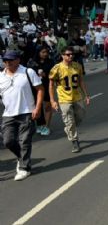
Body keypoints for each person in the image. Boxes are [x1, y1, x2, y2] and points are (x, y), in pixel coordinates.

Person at [1, 50, 44, 180]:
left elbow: (40, 90)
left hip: (26, 111)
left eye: (11, 60)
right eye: (5, 60)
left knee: (25, 141)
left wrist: (37, 108)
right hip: (8, 114)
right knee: (8, 141)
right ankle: (22, 158)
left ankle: (24, 168)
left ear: (18, 60)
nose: (7, 62)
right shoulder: (1, 76)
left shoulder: (27, 72)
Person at [49, 46, 90, 153]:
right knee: (69, 121)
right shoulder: (56, 68)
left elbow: (81, 81)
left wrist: (86, 95)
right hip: (64, 98)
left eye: (72, 54)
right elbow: (51, 85)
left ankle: (69, 129)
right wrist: (53, 101)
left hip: (77, 96)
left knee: (80, 116)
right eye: (68, 54)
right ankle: (74, 140)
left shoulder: (78, 66)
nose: (70, 56)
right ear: (62, 56)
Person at [26, 46, 55, 136]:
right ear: (38, 53)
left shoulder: (50, 62)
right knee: (37, 106)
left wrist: (46, 74)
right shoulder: (32, 62)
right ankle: (40, 125)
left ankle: (46, 126)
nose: (45, 54)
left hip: (47, 86)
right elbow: (27, 73)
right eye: (43, 52)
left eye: (46, 52)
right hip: (35, 87)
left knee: (47, 106)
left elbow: (54, 74)